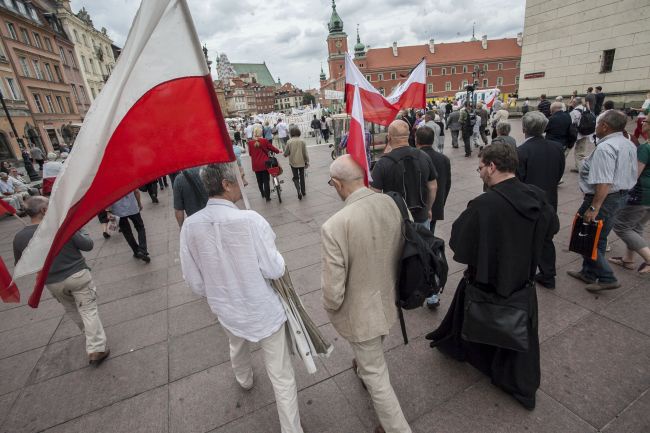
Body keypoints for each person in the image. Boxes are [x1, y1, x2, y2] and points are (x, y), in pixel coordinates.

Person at [426, 142, 557, 410]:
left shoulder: (484, 204)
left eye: (481, 167)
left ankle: (467, 349)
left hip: (487, 278)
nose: (480, 172)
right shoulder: (537, 195)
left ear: (493, 167)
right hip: (522, 279)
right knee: (518, 332)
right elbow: (550, 228)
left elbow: (459, 244)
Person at [180, 163, 304, 433]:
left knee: (236, 343)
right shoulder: (251, 220)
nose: (244, 182)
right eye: (240, 178)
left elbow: (195, 281)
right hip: (263, 308)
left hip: (226, 308)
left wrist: (220, 288)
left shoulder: (190, 226)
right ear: (226, 185)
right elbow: (274, 268)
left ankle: (244, 378)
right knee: (281, 374)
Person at [322, 155, 411, 433]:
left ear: (337, 184)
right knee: (372, 356)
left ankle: (397, 429)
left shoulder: (335, 225)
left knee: (377, 377)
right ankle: (362, 366)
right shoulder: (392, 202)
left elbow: (333, 290)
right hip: (388, 296)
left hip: (362, 312)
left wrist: (331, 306)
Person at [14, 196, 109, 365]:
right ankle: (96, 348)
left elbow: (21, 265)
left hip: (53, 282)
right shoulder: (61, 227)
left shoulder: (20, 237)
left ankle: (91, 337)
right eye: (50, 205)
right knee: (88, 310)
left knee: (73, 310)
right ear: (44, 210)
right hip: (77, 275)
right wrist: (80, 228)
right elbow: (87, 245)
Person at [567, 110, 638, 292]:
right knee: (599, 236)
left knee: (585, 235)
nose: (595, 127)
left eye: (597, 124)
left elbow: (604, 181)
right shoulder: (626, 143)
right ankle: (588, 272)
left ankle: (607, 277)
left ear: (605, 126)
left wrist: (594, 207)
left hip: (604, 198)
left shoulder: (606, 148)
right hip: (619, 196)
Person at [517, 111, 566, 288]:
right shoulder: (557, 147)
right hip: (550, 200)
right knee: (546, 239)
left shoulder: (521, 151)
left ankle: (525, 273)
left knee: (525, 239)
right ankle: (548, 274)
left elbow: (518, 180)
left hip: (528, 203)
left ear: (524, 129)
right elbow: (559, 173)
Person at [370, 119, 437, 229]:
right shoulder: (424, 156)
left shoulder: (382, 163)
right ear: (409, 135)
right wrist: (428, 208)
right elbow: (433, 187)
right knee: (422, 246)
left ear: (389, 137)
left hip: (395, 220)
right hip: (420, 217)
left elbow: (374, 193)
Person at [416, 126, 451, 309]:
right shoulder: (443, 158)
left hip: (422, 209)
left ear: (417, 140)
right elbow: (447, 183)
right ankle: (431, 289)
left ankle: (426, 285)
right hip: (435, 207)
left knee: (423, 245)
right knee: (430, 238)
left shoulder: (417, 158)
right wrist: (440, 203)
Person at [609, 116, 650, 274]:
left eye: (646, 121)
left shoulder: (645, 148)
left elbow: (634, 175)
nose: (642, 123)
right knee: (637, 226)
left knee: (621, 226)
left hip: (641, 195)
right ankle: (628, 259)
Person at [110, 190, 150, 263]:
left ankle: (136, 251)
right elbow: (136, 191)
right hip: (132, 207)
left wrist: (109, 212)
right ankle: (142, 249)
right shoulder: (127, 178)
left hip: (118, 210)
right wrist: (139, 203)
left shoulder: (107, 182)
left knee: (127, 233)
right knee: (140, 227)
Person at [249, 125, 281, 202]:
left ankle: (262, 193)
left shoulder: (250, 143)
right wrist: (278, 151)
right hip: (265, 164)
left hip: (256, 164)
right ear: (261, 133)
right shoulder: (264, 141)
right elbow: (271, 148)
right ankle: (267, 197)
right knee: (266, 180)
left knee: (259, 181)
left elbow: (250, 154)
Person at [283, 125, 309, 200]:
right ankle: (303, 191)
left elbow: (286, 152)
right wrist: (307, 161)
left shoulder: (289, 141)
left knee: (295, 177)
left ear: (291, 133)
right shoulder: (302, 141)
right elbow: (305, 153)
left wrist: (285, 154)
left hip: (293, 162)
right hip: (302, 162)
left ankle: (298, 191)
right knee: (302, 177)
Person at [569, 97, 593, 172]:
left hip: (575, 134)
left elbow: (571, 123)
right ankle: (580, 167)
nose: (571, 103)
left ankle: (580, 169)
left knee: (566, 150)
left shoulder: (574, 112)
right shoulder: (586, 109)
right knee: (581, 152)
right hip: (585, 133)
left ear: (575, 103)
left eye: (572, 102)